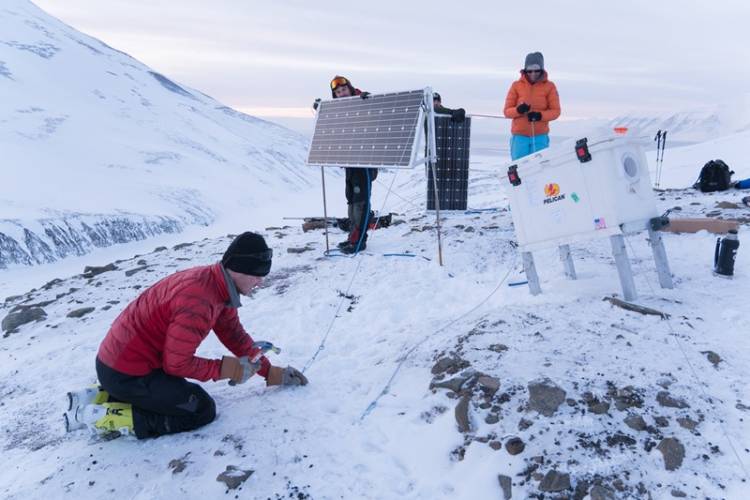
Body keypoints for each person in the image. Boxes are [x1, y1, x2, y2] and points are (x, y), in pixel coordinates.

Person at [64, 231, 308, 439]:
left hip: (122, 365)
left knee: (182, 395)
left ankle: (100, 395)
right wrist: (230, 369)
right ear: (237, 269)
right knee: (201, 409)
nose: (260, 282)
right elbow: (177, 364)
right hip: (127, 373)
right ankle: (108, 417)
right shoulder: (199, 301)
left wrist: (272, 373)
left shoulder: (216, 285)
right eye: (256, 275)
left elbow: (235, 336)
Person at [329, 75, 377, 254]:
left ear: (349, 88)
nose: (341, 94)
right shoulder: (339, 109)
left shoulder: (363, 100)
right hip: (350, 162)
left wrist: (368, 100)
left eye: (343, 90)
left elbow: (377, 114)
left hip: (364, 162)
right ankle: (352, 237)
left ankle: (359, 241)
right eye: (338, 92)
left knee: (360, 202)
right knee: (351, 199)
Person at [503, 52, 561, 160]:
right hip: (519, 137)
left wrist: (540, 115)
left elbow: (556, 111)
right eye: (529, 71)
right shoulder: (516, 86)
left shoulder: (550, 87)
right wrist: (518, 110)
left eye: (536, 70)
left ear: (542, 70)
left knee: (539, 170)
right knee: (519, 170)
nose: (533, 73)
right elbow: (506, 111)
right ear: (525, 70)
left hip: (540, 137)